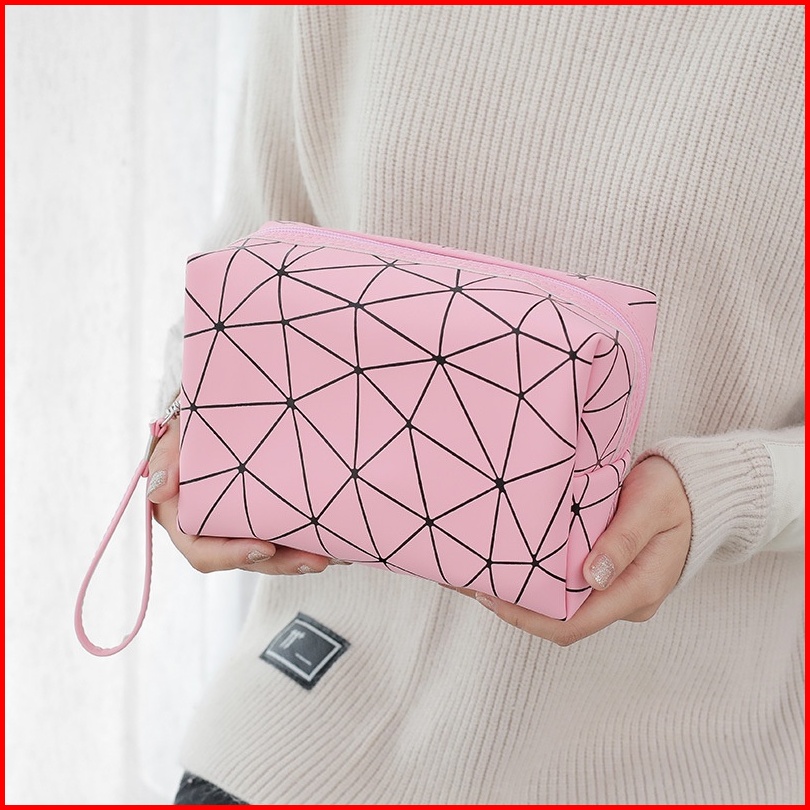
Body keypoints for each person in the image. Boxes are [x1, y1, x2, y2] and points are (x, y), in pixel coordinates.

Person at [146, 6, 804, 805]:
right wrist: (186, 433)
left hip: (671, 767)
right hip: (296, 738)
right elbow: (250, 254)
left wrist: (730, 493)